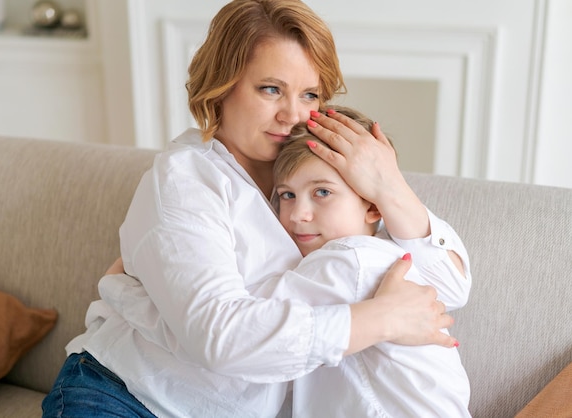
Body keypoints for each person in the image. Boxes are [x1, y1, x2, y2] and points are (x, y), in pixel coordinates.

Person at [42, 1, 464, 417]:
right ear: (222, 86)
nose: (293, 114)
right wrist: (380, 319)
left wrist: (391, 186)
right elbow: (220, 337)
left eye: (309, 94)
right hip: (125, 397)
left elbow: (449, 287)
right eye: (270, 89)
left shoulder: (321, 179)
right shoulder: (186, 178)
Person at [269, 106, 471, 417]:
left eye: (322, 192)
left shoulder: (347, 260)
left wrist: (389, 187)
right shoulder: (385, 253)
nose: (298, 215)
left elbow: (255, 327)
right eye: (287, 195)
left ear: (374, 208)